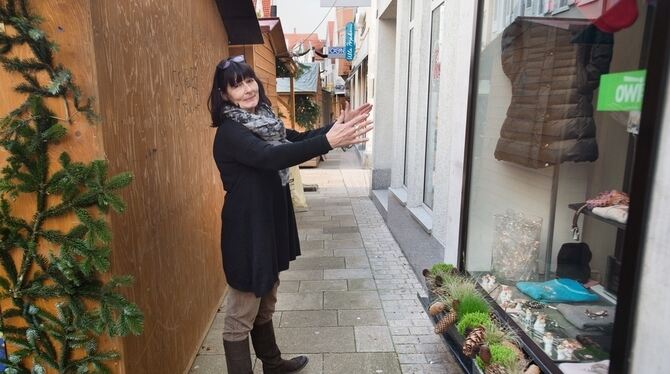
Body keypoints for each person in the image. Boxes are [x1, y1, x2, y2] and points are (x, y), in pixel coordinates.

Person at [208, 55, 373, 374]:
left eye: (249, 80)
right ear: (224, 95)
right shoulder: (230, 133)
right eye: (236, 85)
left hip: (268, 225)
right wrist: (328, 141)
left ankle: (272, 364)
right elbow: (270, 157)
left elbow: (294, 140)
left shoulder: (264, 120)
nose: (246, 88)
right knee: (241, 312)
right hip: (247, 233)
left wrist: (334, 130)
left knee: (266, 298)